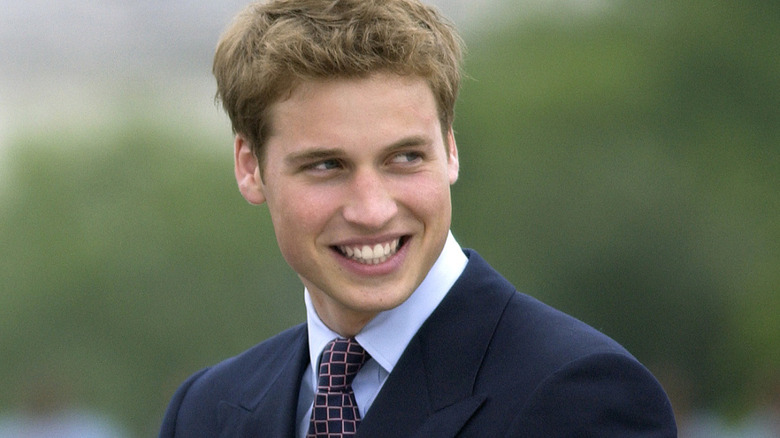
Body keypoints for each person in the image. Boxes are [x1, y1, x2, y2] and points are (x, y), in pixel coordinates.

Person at [159, 0, 678, 436]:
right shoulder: (205, 414)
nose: (373, 209)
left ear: (450, 150)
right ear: (250, 168)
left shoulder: (581, 400)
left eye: (404, 158)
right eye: (327, 165)